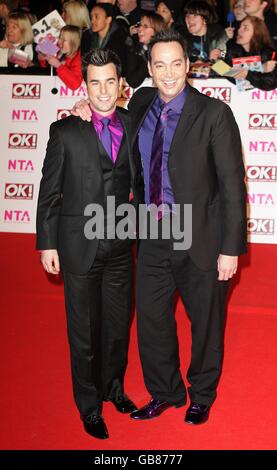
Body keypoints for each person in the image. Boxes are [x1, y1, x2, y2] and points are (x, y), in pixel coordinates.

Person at [71, 28, 247, 425]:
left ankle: (202, 393)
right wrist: (86, 106)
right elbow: (109, 117)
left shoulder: (215, 114)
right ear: (149, 68)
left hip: (199, 234)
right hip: (150, 231)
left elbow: (234, 186)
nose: (168, 73)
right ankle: (166, 391)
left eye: (176, 64)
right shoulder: (143, 102)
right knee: (151, 319)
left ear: (188, 66)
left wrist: (230, 249)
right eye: (160, 65)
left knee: (205, 322)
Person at [36, 48, 137, 440]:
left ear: (120, 84)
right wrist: (47, 243)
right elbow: (49, 193)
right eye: (95, 82)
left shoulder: (132, 122)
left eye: (110, 81)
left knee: (116, 328)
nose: (103, 90)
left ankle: (114, 389)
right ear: (85, 86)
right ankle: (89, 405)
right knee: (84, 331)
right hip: (78, 246)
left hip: (120, 247)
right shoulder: (65, 132)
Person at [225, 15, 277, 91]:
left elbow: (270, 83)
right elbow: (223, 69)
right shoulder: (233, 49)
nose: (239, 30)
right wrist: (260, 68)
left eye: (245, 28)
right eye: (240, 27)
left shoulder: (269, 53)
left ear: (257, 32)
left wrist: (247, 74)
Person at [125, 11, 166, 88]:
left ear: (157, 30)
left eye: (145, 26)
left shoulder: (165, 52)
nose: (140, 29)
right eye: (140, 25)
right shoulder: (136, 50)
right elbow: (132, 81)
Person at [43, 25, 83, 91]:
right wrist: (43, 59)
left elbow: (75, 84)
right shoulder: (60, 53)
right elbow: (47, 72)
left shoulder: (78, 58)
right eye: (60, 38)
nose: (59, 41)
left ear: (73, 42)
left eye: (64, 40)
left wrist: (59, 66)